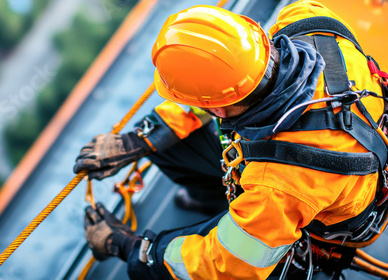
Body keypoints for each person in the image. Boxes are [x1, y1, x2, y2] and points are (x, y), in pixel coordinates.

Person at [74, 1, 388, 279]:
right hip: (337, 162)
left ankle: (226, 220)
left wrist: (130, 248)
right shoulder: (309, 20)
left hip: (318, 220)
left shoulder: (277, 185)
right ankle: (215, 201)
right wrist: (140, 138)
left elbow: (227, 265)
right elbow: (228, 83)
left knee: (186, 253)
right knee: (166, 142)